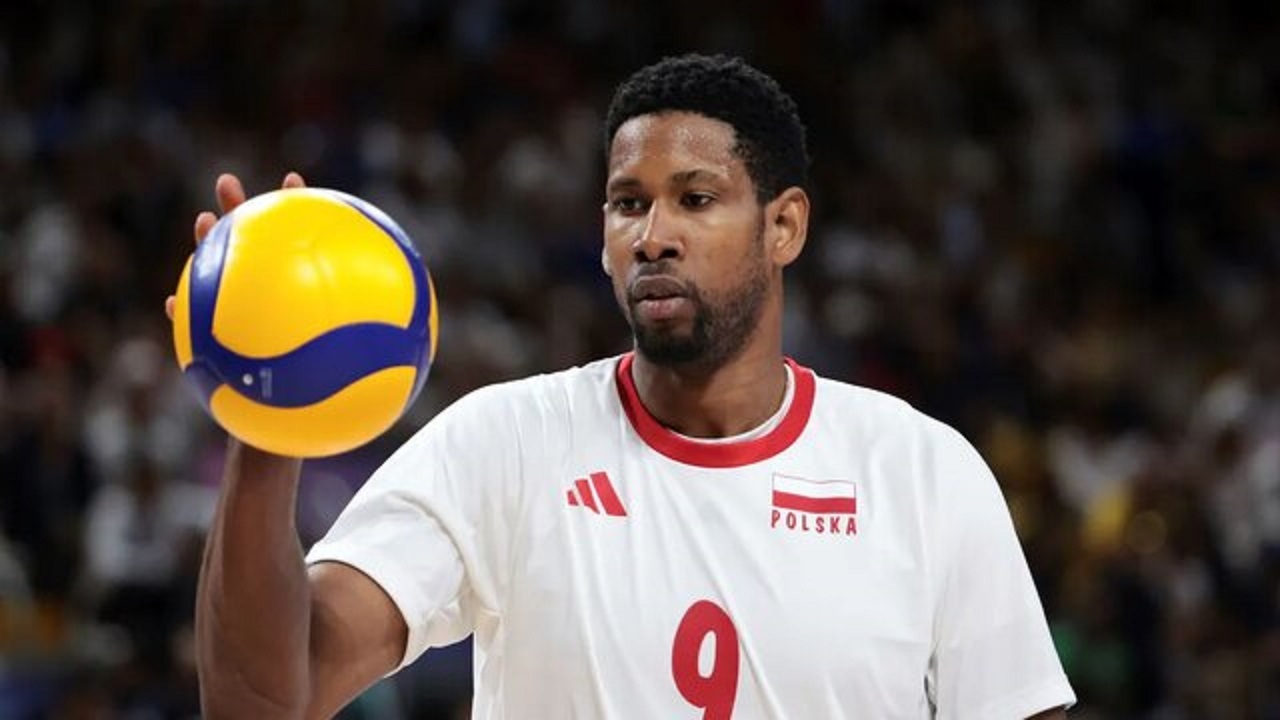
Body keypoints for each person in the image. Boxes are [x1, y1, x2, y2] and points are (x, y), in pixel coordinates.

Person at [178, 54, 1076, 719]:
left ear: (784, 227)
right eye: (628, 203)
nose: (652, 235)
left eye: (695, 199)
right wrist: (268, 419)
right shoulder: (503, 443)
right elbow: (263, 703)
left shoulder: (921, 473)